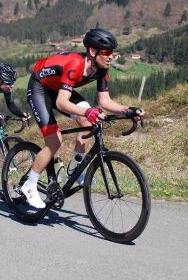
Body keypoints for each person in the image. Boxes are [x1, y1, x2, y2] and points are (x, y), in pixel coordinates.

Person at [23, 28, 145, 208]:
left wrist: (127, 110)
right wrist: (87, 111)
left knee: (89, 123)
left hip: (58, 89)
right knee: (54, 141)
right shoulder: (75, 64)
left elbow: (104, 101)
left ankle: (74, 169)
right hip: (39, 88)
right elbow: (62, 103)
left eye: (112, 53)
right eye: (107, 53)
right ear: (93, 51)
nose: (110, 57)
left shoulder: (102, 69)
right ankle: (29, 185)